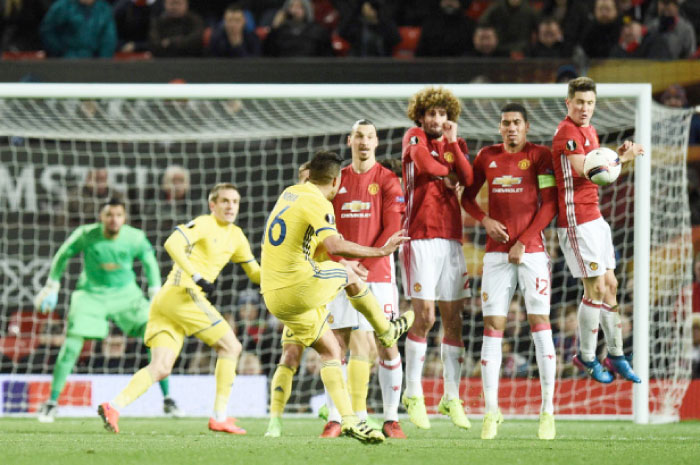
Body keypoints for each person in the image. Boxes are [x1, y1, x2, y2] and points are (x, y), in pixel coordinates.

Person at [260, 150, 413, 444]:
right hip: (299, 288)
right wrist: (380, 251)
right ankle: (386, 329)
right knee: (348, 274)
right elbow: (335, 244)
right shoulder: (319, 202)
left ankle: (349, 421)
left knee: (331, 351)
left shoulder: (289, 194)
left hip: (273, 296)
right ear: (335, 179)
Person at [97, 183, 260, 434]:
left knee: (161, 367)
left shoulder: (237, 236)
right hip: (183, 293)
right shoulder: (205, 223)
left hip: (167, 303)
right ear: (212, 205)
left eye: (235, 202)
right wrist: (196, 276)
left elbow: (255, 273)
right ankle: (219, 416)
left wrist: (287, 277)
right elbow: (171, 242)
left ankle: (113, 406)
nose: (230, 206)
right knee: (232, 346)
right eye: (225, 201)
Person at [33, 198, 181, 422]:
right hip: (91, 295)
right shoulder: (86, 234)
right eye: (109, 215)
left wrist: (154, 292)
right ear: (101, 217)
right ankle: (52, 402)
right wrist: (52, 285)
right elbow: (63, 255)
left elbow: (150, 261)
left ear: (124, 217)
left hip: (127, 296)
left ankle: (168, 399)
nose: (114, 220)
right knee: (72, 345)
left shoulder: (134, 237)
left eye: (118, 215)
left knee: (156, 335)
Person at [461, 103, 558, 440]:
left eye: (516, 123)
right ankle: (491, 411)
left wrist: (525, 241)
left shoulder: (540, 156)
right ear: (500, 127)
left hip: (531, 253)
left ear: (526, 127)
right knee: (492, 326)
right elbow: (468, 198)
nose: (511, 128)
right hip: (496, 255)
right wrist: (485, 220)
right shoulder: (486, 156)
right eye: (505, 123)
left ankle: (547, 411)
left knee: (539, 323)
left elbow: (550, 204)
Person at [318, 120, 408, 438]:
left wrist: (364, 263)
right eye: (359, 136)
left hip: (377, 274)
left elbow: (391, 230)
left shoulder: (388, 180)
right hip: (338, 272)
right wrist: (343, 263)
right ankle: (336, 417)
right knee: (335, 343)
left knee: (382, 344)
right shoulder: (335, 181)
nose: (364, 141)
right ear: (349, 141)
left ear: (377, 142)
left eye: (369, 136)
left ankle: (391, 417)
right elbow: (323, 228)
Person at [551, 77, 644, 385]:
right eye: (579, 102)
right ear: (568, 103)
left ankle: (616, 354)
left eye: (590, 103)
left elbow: (600, 166)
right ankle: (587, 356)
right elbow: (586, 169)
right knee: (594, 289)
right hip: (576, 220)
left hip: (594, 216)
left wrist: (615, 156)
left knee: (611, 285)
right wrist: (622, 159)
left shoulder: (589, 130)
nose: (585, 108)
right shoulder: (567, 132)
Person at [399, 86, 473, 430]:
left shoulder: (455, 144)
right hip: (420, 237)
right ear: (421, 116)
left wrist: (455, 146)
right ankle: (412, 393)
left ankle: (451, 396)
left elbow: (470, 179)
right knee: (425, 316)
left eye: (443, 114)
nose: (437, 120)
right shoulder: (413, 137)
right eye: (431, 114)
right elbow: (426, 164)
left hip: (451, 240)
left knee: (453, 319)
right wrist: (451, 173)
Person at [39, 0, 117, 58]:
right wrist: (60, 53)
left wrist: (103, 62)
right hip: (66, 60)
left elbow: (109, 39)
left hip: (95, 61)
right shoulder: (63, 6)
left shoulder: (104, 9)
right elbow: (48, 31)